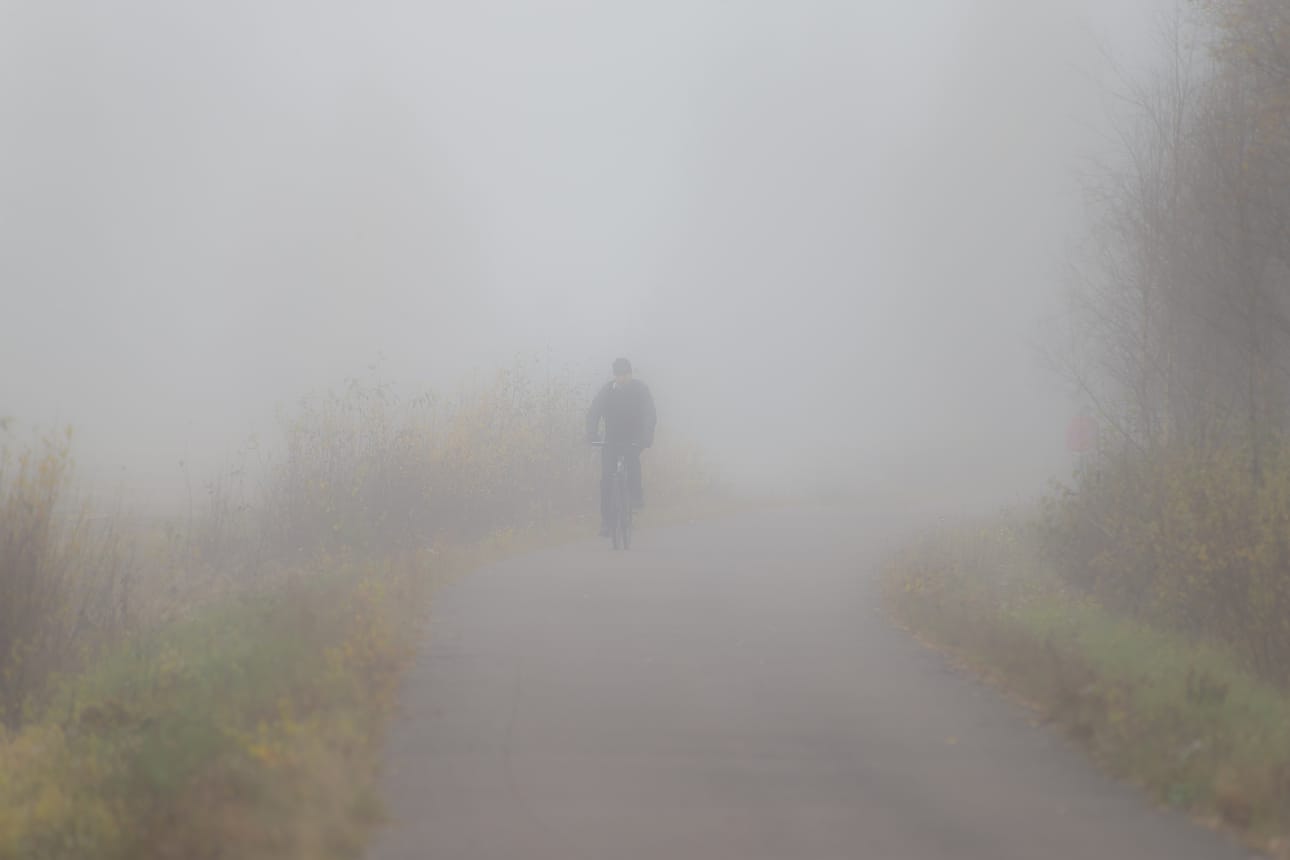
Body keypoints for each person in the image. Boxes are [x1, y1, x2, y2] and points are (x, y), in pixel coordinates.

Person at [586, 357, 657, 536]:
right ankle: (606, 523)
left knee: (632, 461)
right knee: (606, 479)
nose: (621, 378)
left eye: (625, 374)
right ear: (614, 375)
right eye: (618, 375)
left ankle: (635, 497)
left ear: (630, 374)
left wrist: (646, 436)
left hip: (634, 438)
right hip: (611, 439)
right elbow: (594, 411)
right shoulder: (607, 391)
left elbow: (649, 413)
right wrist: (591, 433)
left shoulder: (640, 389)